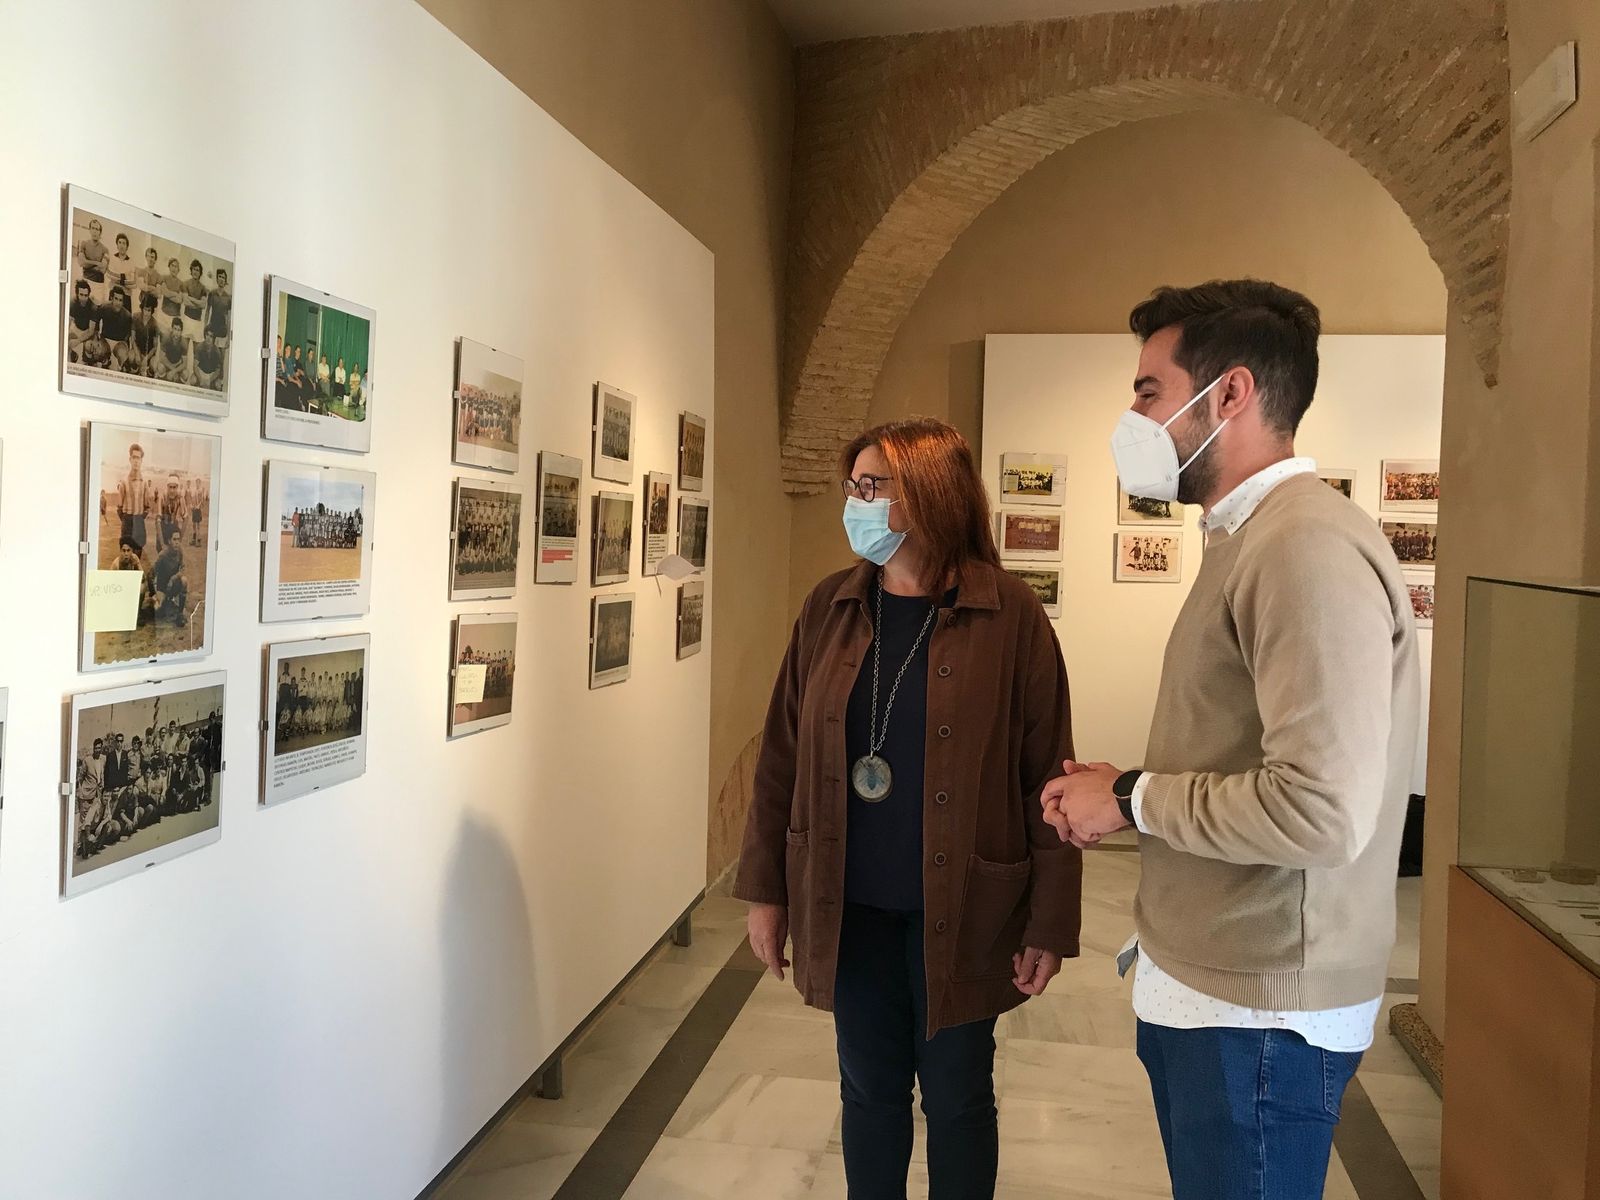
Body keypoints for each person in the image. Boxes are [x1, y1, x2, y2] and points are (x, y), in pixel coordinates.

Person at [1041, 280, 1421, 1200]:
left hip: (1259, 1016)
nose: (1132, 416)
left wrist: (1131, 795)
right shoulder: (1252, 540)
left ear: (1231, 395)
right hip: (1218, 987)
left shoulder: (1304, 549)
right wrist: (1126, 790)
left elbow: (1319, 810)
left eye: (1147, 390)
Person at [735, 417, 1080, 1200]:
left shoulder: (1011, 615)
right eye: (851, 486)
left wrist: (1049, 922)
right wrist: (767, 891)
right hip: (849, 904)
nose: (855, 503)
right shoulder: (831, 606)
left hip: (965, 907)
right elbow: (781, 755)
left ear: (929, 494)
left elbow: (1047, 774)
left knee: (958, 1098)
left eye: (872, 486)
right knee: (868, 1092)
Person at [67, 279, 98, 361]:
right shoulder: (72, 302)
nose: (84, 298)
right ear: (77, 294)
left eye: (86, 295)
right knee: (66, 341)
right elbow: (67, 324)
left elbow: (91, 331)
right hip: (76, 328)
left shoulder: (93, 307)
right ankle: (72, 356)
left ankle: (87, 357)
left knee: (89, 347)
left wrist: (78, 341)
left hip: (88, 331)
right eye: (81, 294)